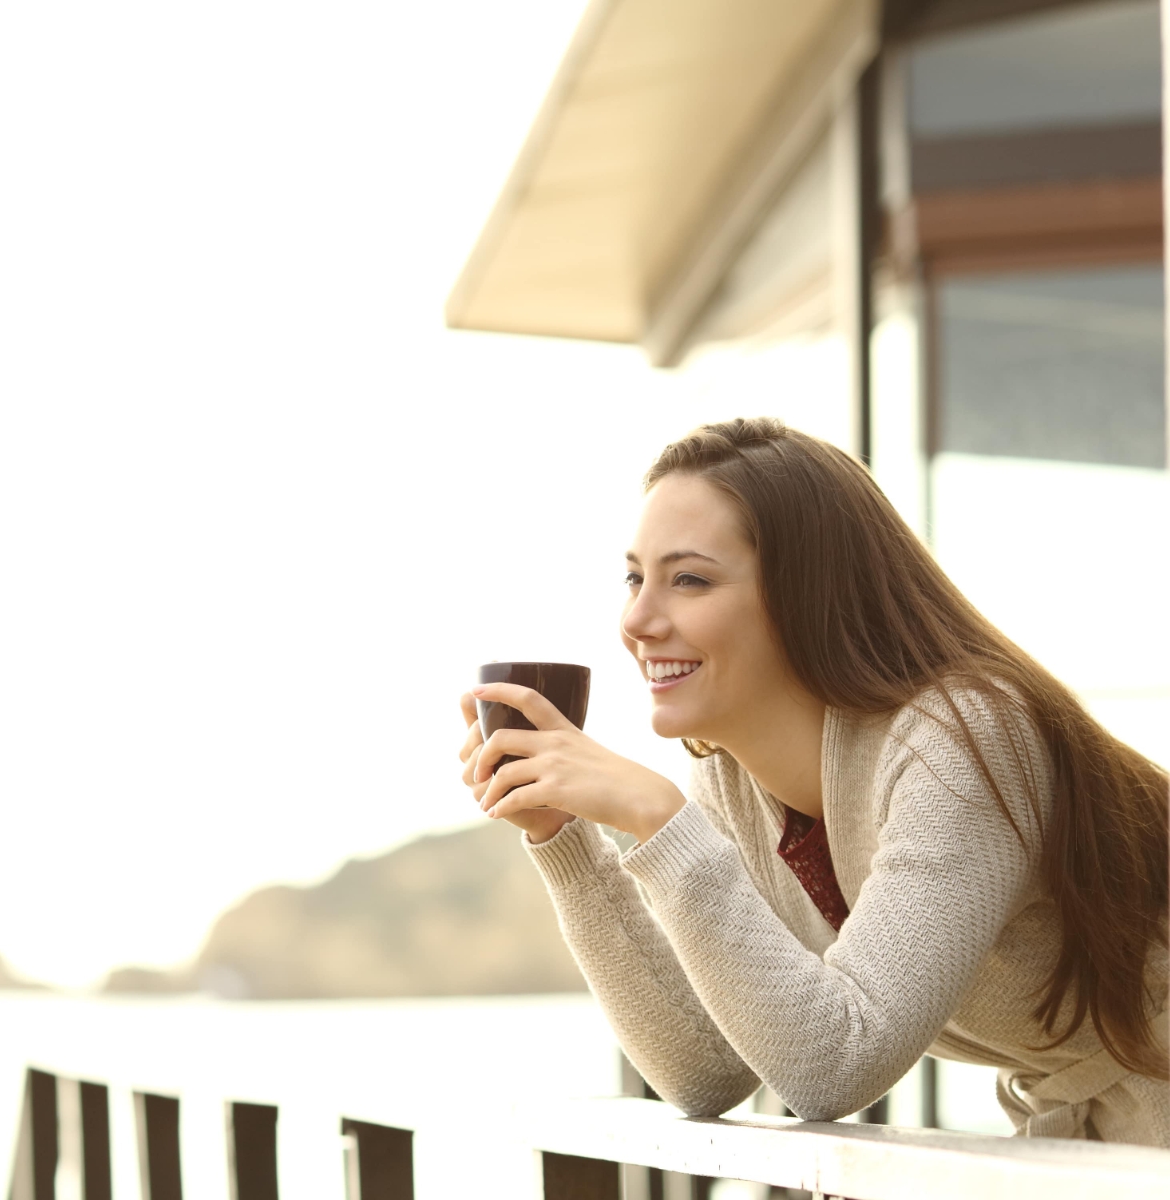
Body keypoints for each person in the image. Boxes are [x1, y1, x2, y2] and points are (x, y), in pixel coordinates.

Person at [458, 417, 1168, 1146]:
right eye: (635, 577)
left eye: (690, 579)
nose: (637, 619)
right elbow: (706, 1068)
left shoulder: (965, 737)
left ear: (806, 593)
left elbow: (836, 1065)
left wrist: (661, 822)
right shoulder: (734, 779)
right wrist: (563, 841)